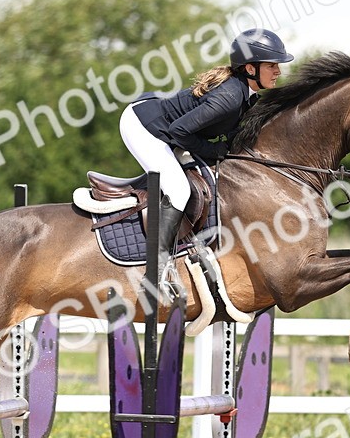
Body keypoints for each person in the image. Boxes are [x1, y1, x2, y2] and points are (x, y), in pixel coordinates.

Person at [119, 28, 294, 271]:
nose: (278, 71)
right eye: (272, 65)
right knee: (178, 190)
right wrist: (214, 151)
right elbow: (179, 131)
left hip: (163, 122)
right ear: (251, 69)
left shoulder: (247, 94)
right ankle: (156, 268)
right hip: (143, 126)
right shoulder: (230, 97)